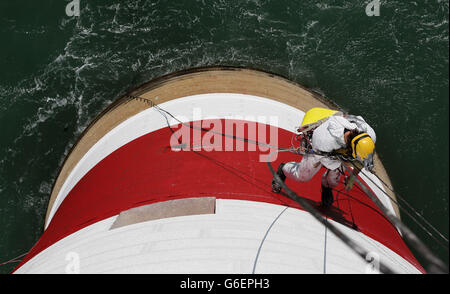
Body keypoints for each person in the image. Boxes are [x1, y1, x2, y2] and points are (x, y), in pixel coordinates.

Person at [271, 111, 376, 207]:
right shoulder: (325, 140)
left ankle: (327, 186)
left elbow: (362, 161)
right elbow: (332, 164)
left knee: (333, 181)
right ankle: (283, 170)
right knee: (302, 176)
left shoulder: (369, 137)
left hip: (342, 152)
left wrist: (353, 178)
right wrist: (345, 161)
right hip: (320, 149)